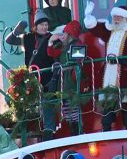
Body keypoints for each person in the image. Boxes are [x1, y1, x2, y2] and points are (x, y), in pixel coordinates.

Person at [84, 1, 127, 131]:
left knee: (126, 100)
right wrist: (89, 16)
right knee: (108, 99)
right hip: (109, 71)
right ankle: (106, 127)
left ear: (125, 18)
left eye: (118, 17)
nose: (115, 19)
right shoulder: (110, 31)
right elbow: (96, 29)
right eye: (114, 17)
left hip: (124, 71)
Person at [5, 9, 55, 140]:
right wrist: (17, 30)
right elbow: (9, 40)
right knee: (10, 98)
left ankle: (49, 132)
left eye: (46, 24)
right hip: (30, 78)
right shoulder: (27, 38)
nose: (45, 27)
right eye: (42, 24)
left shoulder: (52, 38)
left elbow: (57, 52)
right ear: (36, 26)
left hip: (47, 78)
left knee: (47, 103)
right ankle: (22, 123)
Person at [47, 20, 83, 135]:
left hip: (71, 81)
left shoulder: (78, 45)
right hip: (64, 81)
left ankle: (76, 130)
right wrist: (51, 42)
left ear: (70, 34)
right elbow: (51, 53)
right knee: (66, 108)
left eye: (65, 33)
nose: (63, 35)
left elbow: (78, 61)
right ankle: (73, 129)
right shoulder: (64, 46)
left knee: (73, 108)